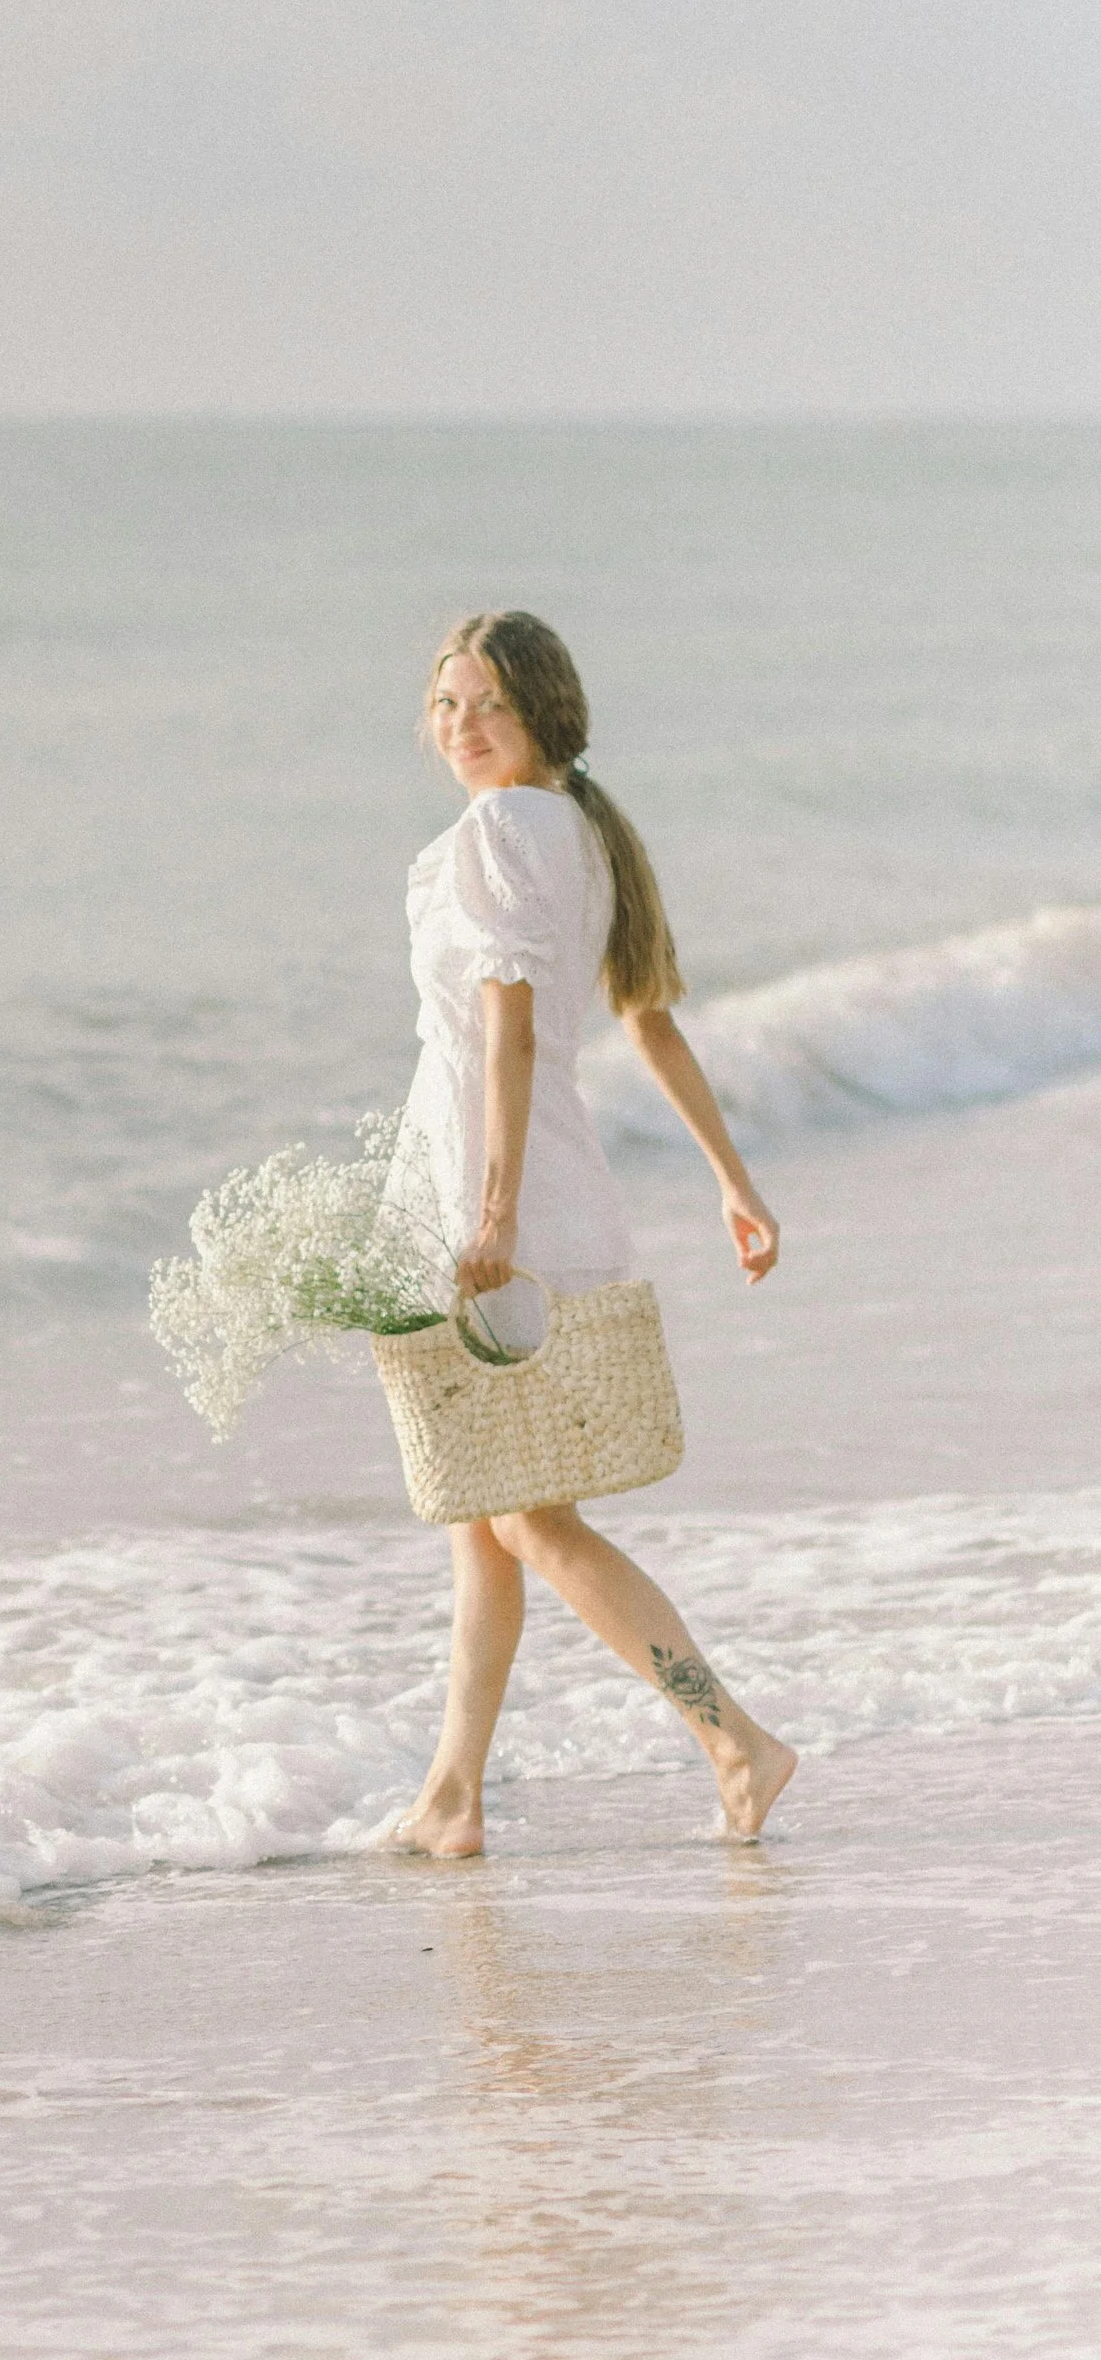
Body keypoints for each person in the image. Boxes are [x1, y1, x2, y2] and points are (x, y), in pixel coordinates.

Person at [386, 609, 796, 1855]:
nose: (463, 727)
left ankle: (735, 1739)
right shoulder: (583, 831)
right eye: (448, 703)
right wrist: (733, 1178)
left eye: (489, 706)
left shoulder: (506, 828)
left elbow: (509, 1030)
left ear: (543, 717)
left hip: (492, 1196)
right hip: (536, 1185)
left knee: (531, 1521)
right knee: (485, 1518)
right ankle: (451, 1800)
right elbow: (649, 1023)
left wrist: (493, 1210)